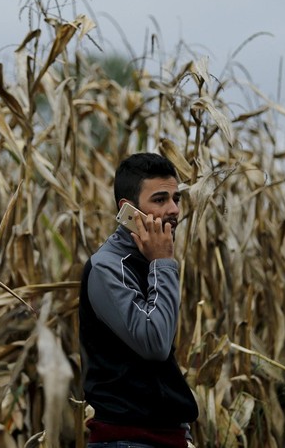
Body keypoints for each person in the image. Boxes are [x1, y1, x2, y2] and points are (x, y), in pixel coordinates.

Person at [79, 152, 199, 448]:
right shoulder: (108, 267)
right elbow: (154, 343)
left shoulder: (147, 259)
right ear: (128, 209)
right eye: (159, 200)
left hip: (161, 436)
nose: (173, 209)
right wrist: (163, 262)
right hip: (127, 440)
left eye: (176, 198)